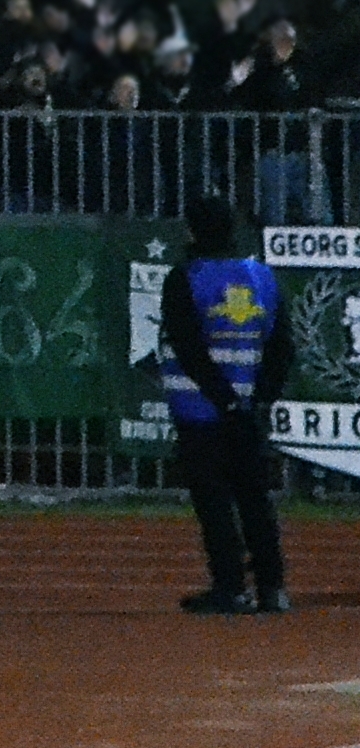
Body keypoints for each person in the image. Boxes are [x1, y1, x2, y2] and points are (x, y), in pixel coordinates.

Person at [151, 195, 292, 616]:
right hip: (247, 411)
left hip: (200, 411)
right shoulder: (261, 276)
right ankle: (272, 587)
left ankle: (230, 586)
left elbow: (189, 348)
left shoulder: (185, 278)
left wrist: (224, 401)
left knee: (214, 502)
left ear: (192, 230)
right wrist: (257, 400)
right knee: (254, 498)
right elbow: (282, 348)